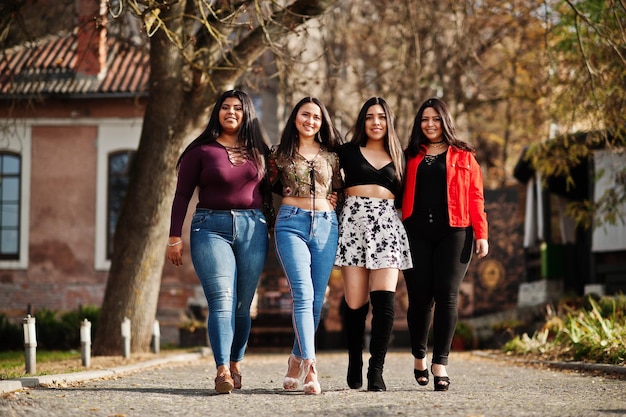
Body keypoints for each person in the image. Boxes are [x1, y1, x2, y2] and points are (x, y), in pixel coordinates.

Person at [166, 90, 272, 394]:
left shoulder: (260, 151)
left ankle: (236, 361)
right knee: (222, 299)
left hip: (253, 229)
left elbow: (280, 187)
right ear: (217, 113)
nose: (231, 112)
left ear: (247, 114)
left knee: (242, 305)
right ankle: (222, 369)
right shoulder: (200, 151)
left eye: (238, 108)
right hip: (209, 228)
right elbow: (182, 194)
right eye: (225, 107)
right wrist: (175, 236)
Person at [401, 97, 489, 391]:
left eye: (436, 119)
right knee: (420, 299)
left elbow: (476, 196)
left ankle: (441, 362)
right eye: (425, 119)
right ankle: (419, 355)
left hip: (456, 231)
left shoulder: (464, 156)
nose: (430, 124)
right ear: (419, 124)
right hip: (415, 232)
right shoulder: (409, 155)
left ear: (445, 121)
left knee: (447, 296)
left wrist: (482, 234)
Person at [335, 97, 412, 392]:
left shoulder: (401, 156)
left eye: (381, 117)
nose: (375, 122)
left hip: (388, 228)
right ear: (362, 121)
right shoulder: (347, 152)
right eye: (370, 117)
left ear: (388, 121)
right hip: (354, 225)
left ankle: (375, 370)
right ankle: (354, 360)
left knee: (385, 303)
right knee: (355, 304)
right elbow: (326, 176)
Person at [269, 97, 343, 395]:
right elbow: (266, 191)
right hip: (291, 223)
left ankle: (295, 359)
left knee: (316, 300)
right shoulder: (279, 155)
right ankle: (311, 366)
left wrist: (332, 202)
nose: (310, 121)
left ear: (322, 122)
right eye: (305, 115)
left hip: (326, 225)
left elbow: (338, 189)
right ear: (295, 118)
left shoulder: (333, 157)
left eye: (316, 117)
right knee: (302, 293)